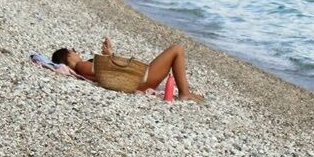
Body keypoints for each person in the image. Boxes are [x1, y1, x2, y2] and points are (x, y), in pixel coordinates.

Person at [52, 36, 204, 101]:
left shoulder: (82, 67)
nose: (76, 52)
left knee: (175, 53)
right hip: (139, 80)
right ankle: (185, 93)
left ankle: (186, 92)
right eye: (73, 51)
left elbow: (108, 72)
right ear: (69, 56)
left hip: (134, 80)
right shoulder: (80, 65)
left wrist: (109, 54)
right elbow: (107, 71)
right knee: (176, 49)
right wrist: (109, 57)